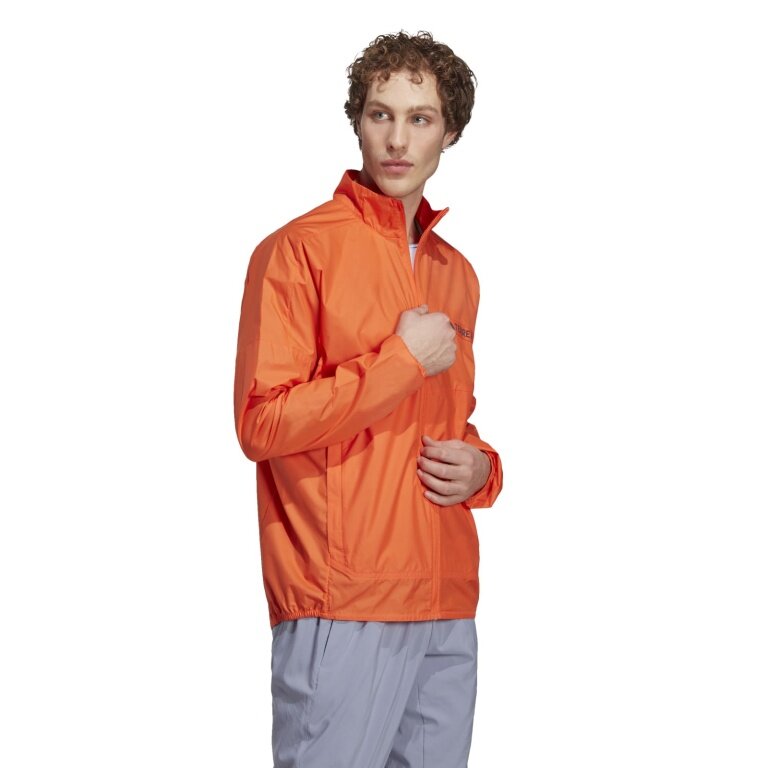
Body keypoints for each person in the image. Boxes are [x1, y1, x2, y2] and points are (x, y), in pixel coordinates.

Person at [233, 30, 503, 768]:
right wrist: (401, 361)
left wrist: (484, 470)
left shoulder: (456, 272)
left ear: (451, 131)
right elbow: (262, 421)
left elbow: (449, 418)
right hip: (342, 597)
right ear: (358, 121)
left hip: (445, 599)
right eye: (381, 114)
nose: (397, 139)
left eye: (420, 118)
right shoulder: (299, 250)